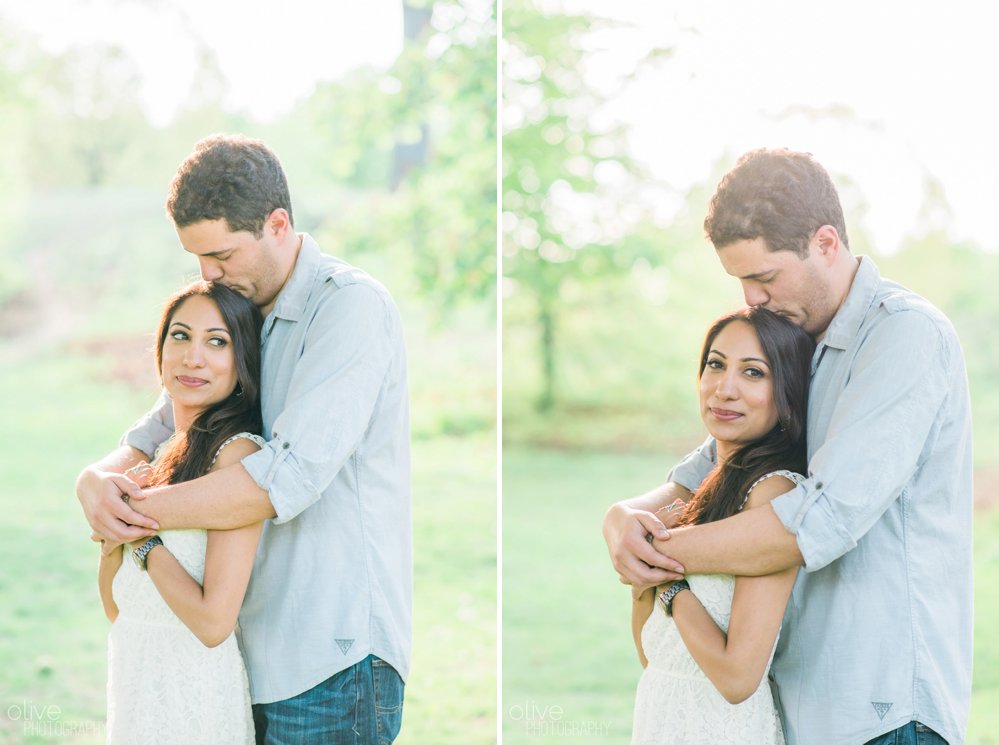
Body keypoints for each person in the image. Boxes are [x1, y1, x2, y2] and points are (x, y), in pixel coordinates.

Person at [604, 148, 973, 745]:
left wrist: (661, 562)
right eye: (741, 281)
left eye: (765, 276)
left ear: (826, 243)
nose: (752, 297)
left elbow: (813, 521)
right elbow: (706, 474)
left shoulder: (903, 336)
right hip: (794, 710)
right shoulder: (794, 345)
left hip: (882, 714)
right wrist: (623, 518)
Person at [77, 134, 411, 744]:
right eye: (197, 256)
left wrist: (132, 517)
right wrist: (96, 480)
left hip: (329, 662)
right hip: (242, 658)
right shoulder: (240, 308)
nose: (209, 273)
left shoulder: (349, 309)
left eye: (222, 253)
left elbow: (287, 477)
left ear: (277, 224)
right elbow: (158, 430)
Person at [631, 306, 813, 744]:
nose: (724, 389)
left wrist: (671, 586)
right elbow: (654, 653)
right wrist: (644, 578)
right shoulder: (700, 495)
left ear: (786, 390)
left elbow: (737, 677)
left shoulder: (774, 494)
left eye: (753, 373)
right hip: (663, 716)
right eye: (715, 364)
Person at [99, 280, 264, 743]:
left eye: (217, 341)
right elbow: (118, 606)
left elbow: (214, 624)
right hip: (136, 672)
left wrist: (143, 538)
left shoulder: (238, 456)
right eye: (180, 335)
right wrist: (115, 535)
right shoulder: (159, 456)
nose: (193, 357)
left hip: (194, 690)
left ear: (242, 361)